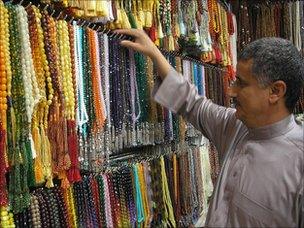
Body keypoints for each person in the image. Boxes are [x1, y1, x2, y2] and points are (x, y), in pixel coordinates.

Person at [115, 29, 304, 227]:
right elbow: (192, 103)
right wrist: (154, 53)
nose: (230, 91)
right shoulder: (236, 126)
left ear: (275, 91)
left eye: (241, 83)